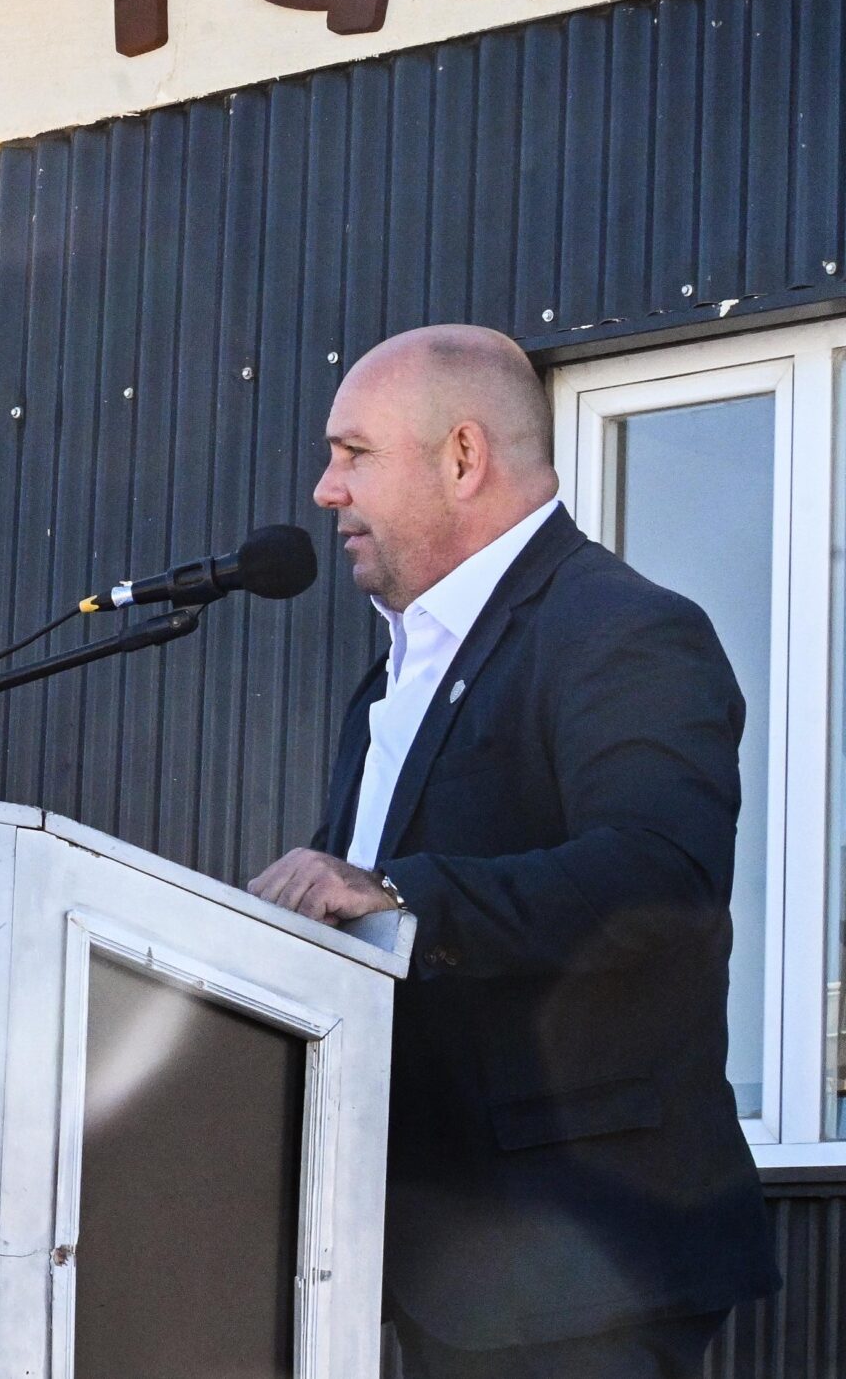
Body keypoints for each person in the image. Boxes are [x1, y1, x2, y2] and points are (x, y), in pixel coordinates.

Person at [249, 325, 780, 1378]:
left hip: (584, 1271)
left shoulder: (622, 630)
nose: (324, 489)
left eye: (354, 453)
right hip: (441, 1270)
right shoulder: (390, 678)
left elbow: (660, 876)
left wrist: (396, 892)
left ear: (463, 456)